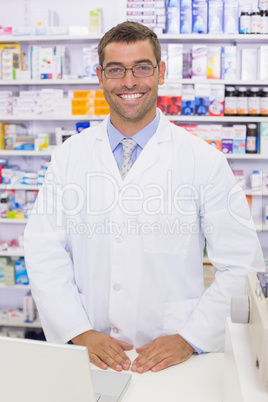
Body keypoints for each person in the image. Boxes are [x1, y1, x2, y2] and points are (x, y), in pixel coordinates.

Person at [24, 21, 264, 375]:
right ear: (100, 77)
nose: (129, 81)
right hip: (89, 353)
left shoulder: (203, 159)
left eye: (142, 67)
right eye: (116, 70)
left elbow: (242, 263)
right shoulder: (69, 156)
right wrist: (78, 330)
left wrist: (190, 338)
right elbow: (44, 250)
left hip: (173, 357)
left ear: (161, 72)